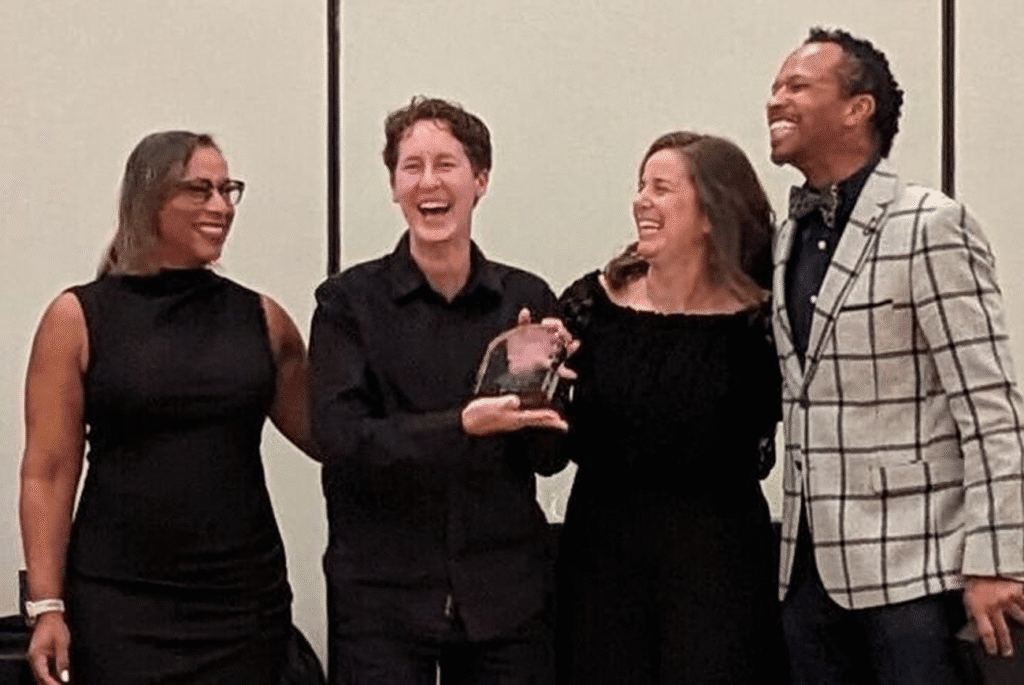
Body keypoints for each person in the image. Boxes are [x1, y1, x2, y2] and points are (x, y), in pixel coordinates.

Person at [768, 27, 1024, 684]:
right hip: (807, 573)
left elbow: (990, 406)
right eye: (775, 86)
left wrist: (998, 559)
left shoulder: (930, 224)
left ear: (860, 108)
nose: (776, 100)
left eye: (798, 85)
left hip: (917, 572)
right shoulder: (786, 234)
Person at [19, 130, 314, 685]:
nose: (221, 206)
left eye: (228, 190)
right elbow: (49, 470)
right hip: (120, 603)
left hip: (243, 605)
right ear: (150, 198)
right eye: (200, 190)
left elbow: (336, 435)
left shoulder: (263, 319)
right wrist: (47, 605)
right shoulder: (76, 319)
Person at [309, 96, 569, 685]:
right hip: (381, 600)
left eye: (447, 165)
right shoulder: (347, 302)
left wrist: (541, 387)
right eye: (412, 167)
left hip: (506, 597)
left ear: (480, 180)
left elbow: (550, 460)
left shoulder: (524, 298)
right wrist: (462, 426)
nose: (429, 182)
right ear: (394, 186)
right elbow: (342, 439)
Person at [555, 131, 788, 684]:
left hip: (719, 564)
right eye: (640, 186)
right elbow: (547, 441)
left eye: (661, 188)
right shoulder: (591, 305)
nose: (641, 201)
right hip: (602, 557)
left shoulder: (764, 325)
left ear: (711, 214)